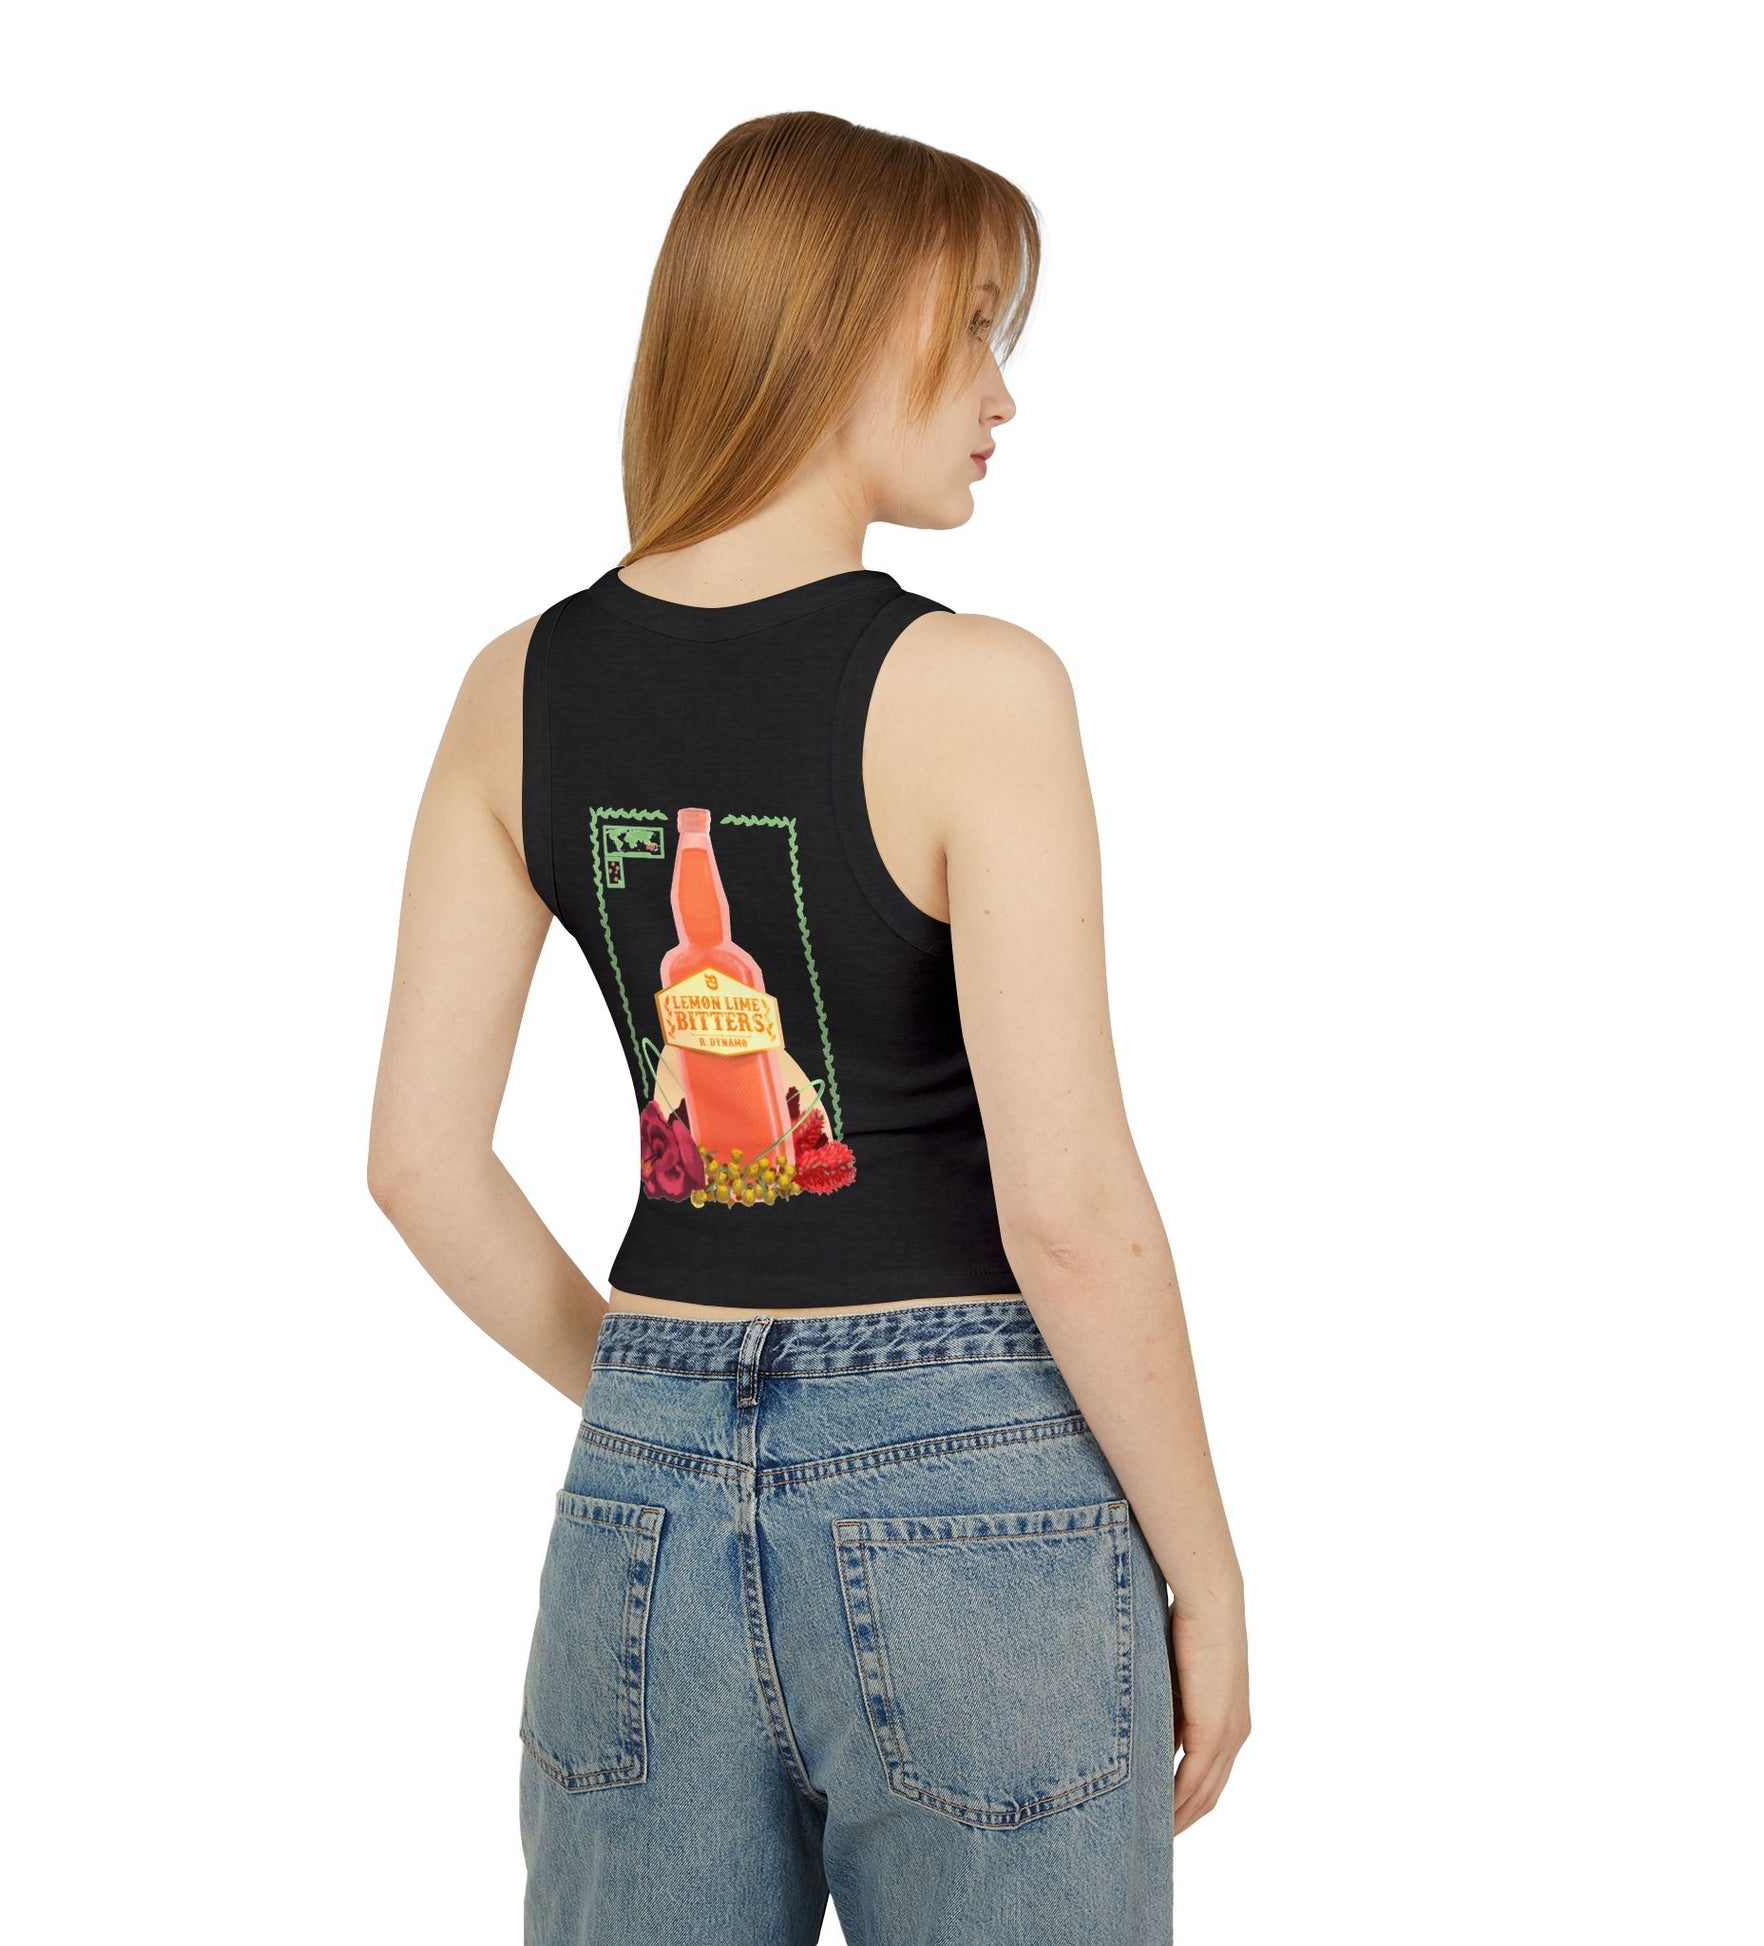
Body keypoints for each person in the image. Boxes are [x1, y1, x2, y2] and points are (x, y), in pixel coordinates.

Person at [368, 109, 1248, 1946]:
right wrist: (1205, 1566)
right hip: (976, 1499)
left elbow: (420, 1165)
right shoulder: (977, 687)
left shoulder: (513, 687)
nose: (1003, 391)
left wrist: (670, 1406)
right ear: (843, 323)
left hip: (639, 1505)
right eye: (974, 324)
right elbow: (1068, 1209)